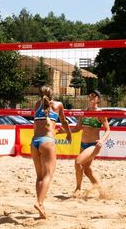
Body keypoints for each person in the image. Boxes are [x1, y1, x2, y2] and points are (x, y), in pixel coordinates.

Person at [30, 85, 72, 219]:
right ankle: (39, 202)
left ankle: (41, 207)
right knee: (48, 175)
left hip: (34, 142)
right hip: (47, 141)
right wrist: (69, 134)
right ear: (52, 94)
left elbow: (36, 125)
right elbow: (64, 122)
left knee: (39, 177)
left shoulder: (37, 105)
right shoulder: (58, 105)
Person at [71, 90, 110, 196]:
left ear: (98, 99)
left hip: (93, 145)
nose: (91, 97)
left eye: (94, 96)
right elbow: (77, 128)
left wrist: (102, 140)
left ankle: (78, 188)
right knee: (87, 170)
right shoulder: (83, 112)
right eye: (90, 95)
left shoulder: (100, 113)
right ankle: (103, 192)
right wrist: (65, 131)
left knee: (78, 162)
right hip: (83, 144)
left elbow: (108, 130)